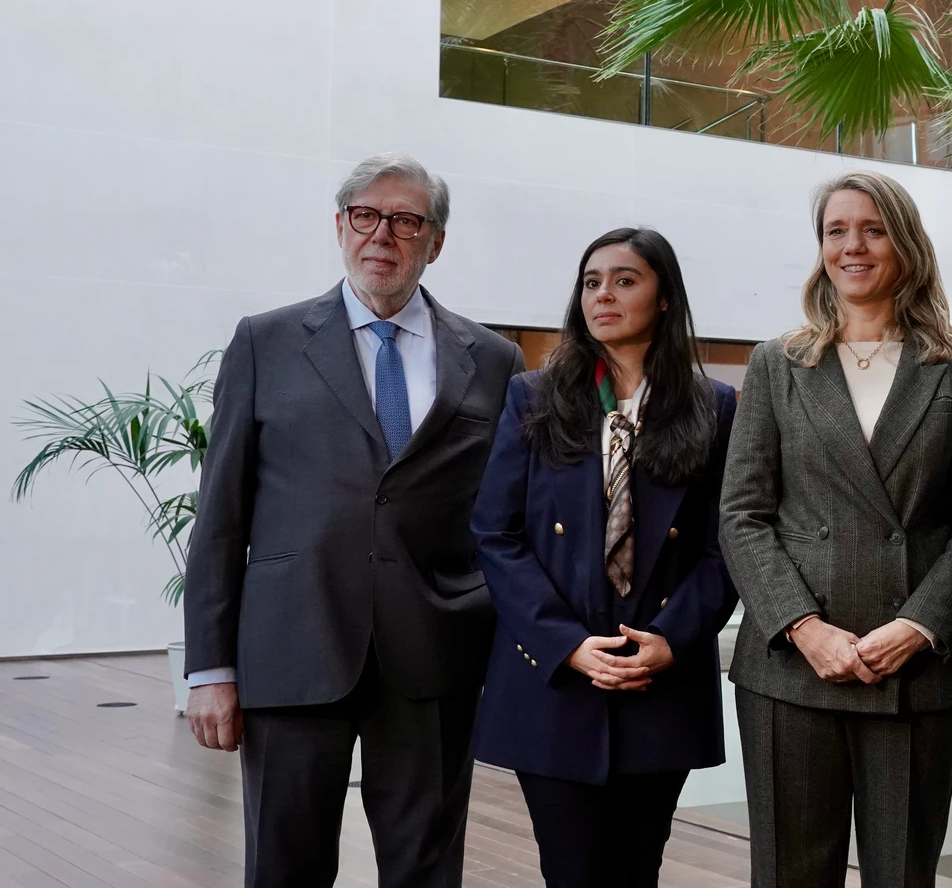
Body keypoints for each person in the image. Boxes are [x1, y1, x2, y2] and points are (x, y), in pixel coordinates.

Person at [183, 152, 525, 888]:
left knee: (426, 869)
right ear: (340, 226)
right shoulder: (264, 342)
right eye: (366, 216)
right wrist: (211, 667)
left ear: (435, 241)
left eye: (407, 221)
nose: (383, 235)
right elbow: (220, 513)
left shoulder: (494, 359)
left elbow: (505, 513)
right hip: (293, 646)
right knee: (285, 865)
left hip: (434, 653)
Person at [720, 171, 952, 888]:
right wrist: (805, 627)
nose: (853, 246)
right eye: (836, 231)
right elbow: (741, 514)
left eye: (871, 229)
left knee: (902, 875)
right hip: (790, 666)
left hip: (917, 669)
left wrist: (919, 626)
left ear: (903, 243)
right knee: (788, 875)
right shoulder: (779, 362)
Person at [468, 227, 738, 888]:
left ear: (664, 297)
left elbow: (725, 546)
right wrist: (566, 644)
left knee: (637, 868)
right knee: (573, 870)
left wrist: (670, 641)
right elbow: (496, 533)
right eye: (592, 281)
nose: (603, 294)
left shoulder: (713, 407)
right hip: (555, 681)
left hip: (659, 681)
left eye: (625, 279)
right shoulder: (534, 396)